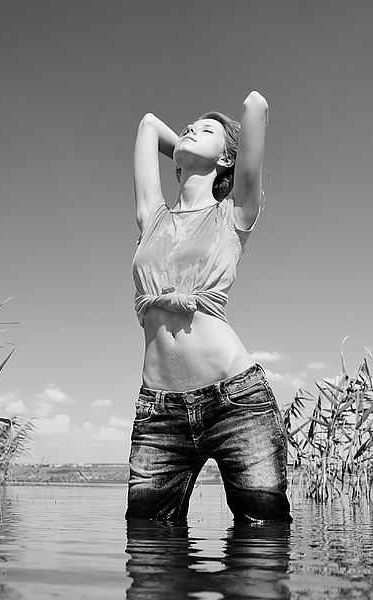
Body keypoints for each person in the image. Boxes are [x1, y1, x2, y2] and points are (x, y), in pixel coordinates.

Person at [127, 91, 292, 524]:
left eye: (207, 129)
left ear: (226, 161)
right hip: (159, 413)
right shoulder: (152, 216)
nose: (189, 128)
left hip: (237, 403)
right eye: (187, 127)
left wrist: (201, 150)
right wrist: (185, 151)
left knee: (263, 543)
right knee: (147, 553)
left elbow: (256, 107)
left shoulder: (236, 212)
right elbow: (148, 122)